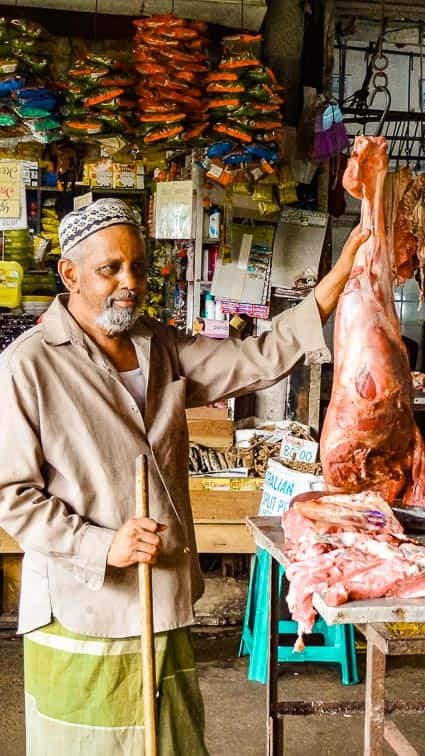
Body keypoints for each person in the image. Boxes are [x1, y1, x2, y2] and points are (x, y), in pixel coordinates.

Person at [0, 198, 369, 755]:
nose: (130, 282)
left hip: (163, 595)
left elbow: (252, 358)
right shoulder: (28, 365)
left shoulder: (159, 344)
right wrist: (101, 543)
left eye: (139, 267)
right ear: (69, 274)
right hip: (84, 606)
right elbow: (12, 496)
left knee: (171, 743)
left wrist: (335, 283)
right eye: (111, 269)